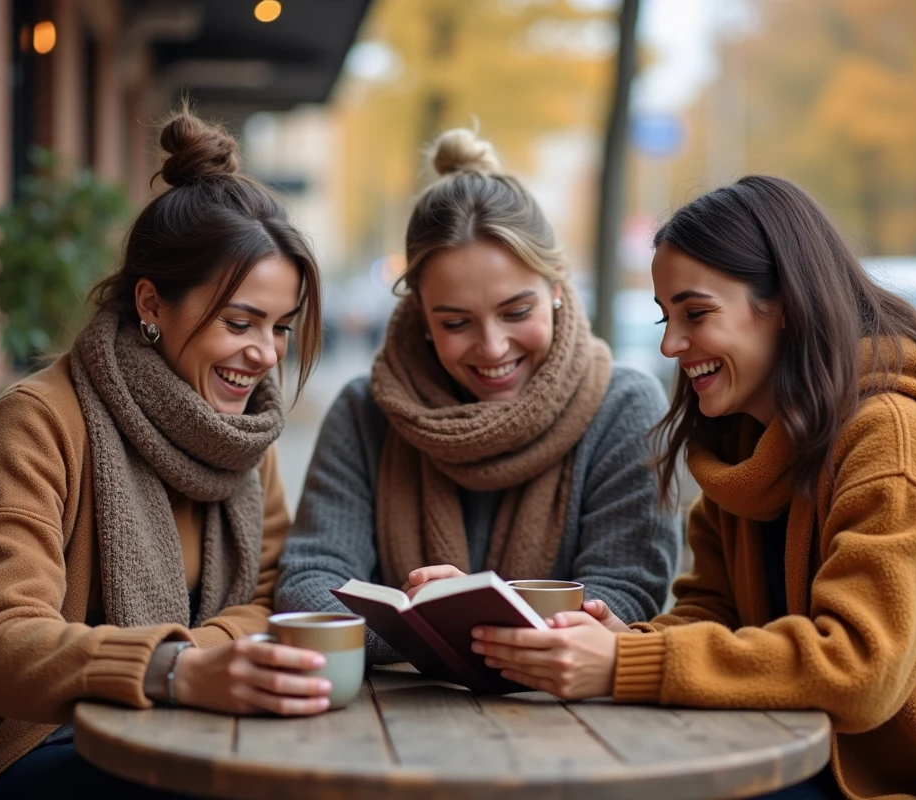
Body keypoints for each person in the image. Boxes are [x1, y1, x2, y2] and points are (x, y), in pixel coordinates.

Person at [469, 176, 916, 799]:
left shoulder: (892, 441)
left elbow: (860, 671)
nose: (670, 344)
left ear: (784, 302)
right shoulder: (739, 451)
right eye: (666, 316)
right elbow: (712, 615)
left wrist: (625, 665)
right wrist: (617, 642)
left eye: (695, 313)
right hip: (819, 764)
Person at [0, 110, 335, 800]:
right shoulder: (38, 422)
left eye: (281, 328)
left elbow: (270, 598)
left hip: (166, 734)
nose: (265, 354)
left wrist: (191, 665)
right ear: (151, 303)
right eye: (240, 322)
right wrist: (176, 670)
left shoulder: (242, 437)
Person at [275, 129, 678, 662]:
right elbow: (308, 584)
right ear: (421, 315)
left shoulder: (624, 406)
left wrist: (461, 618)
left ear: (557, 288)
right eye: (456, 322)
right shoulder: (364, 411)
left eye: (516, 312)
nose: (492, 347)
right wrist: (432, 626)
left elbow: (626, 597)